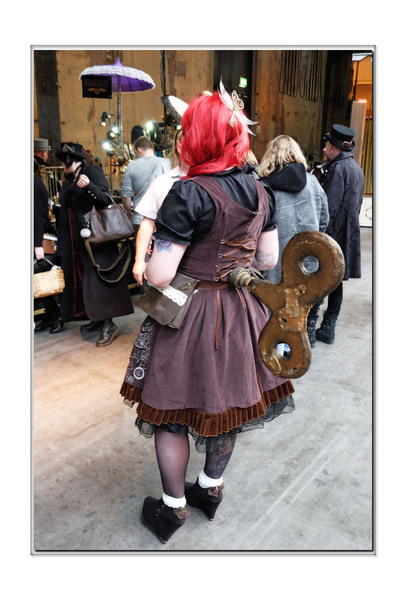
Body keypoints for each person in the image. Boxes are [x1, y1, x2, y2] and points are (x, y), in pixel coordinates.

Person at [120, 86, 295, 544]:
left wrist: (153, 260)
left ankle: (173, 509)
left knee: (171, 411)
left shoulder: (189, 192)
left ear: (196, 137)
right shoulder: (261, 189)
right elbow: (268, 260)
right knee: (227, 407)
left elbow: (160, 274)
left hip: (190, 310)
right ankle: (210, 489)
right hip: (241, 311)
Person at [55, 142, 134, 346]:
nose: (62, 163)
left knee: (102, 281)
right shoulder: (70, 180)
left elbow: (105, 199)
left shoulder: (91, 171)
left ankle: (109, 323)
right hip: (83, 240)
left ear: (71, 159)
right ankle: (98, 318)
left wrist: (89, 186)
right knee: (90, 282)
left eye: (64, 159)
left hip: (100, 238)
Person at [257, 135, 329, 346]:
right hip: (308, 261)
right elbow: (324, 218)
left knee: (275, 309)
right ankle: (299, 347)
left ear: (270, 156)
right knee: (302, 305)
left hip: (276, 262)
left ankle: (278, 351)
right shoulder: (313, 182)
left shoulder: (264, 187)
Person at [313, 124, 365, 344]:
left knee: (318, 278)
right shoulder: (357, 169)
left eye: (327, 145)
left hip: (332, 235)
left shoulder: (337, 169)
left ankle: (309, 330)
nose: (324, 149)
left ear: (335, 147)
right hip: (348, 234)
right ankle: (328, 328)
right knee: (336, 281)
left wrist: (318, 235)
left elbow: (329, 208)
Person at [132, 128, 189, 286]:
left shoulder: (210, 181)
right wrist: (139, 260)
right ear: (179, 146)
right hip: (165, 261)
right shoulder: (164, 182)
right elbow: (147, 222)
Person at [33, 159, 62, 333]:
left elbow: (35, 215)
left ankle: (56, 316)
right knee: (40, 280)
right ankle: (50, 316)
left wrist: (37, 245)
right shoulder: (35, 181)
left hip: (40, 238)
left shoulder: (33, 183)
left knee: (44, 279)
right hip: (39, 236)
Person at [121, 136, 170, 230]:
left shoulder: (131, 166)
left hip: (140, 220)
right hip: (162, 220)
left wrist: (129, 213)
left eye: (134, 152)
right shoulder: (166, 163)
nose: (135, 156)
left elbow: (126, 196)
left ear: (138, 149)